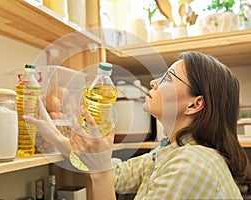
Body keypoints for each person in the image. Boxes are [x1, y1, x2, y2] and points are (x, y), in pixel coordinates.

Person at [24, 51, 250, 199]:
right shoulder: (174, 152)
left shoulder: (191, 164)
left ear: (195, 104)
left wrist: (100, 172)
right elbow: (118, 174)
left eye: (168, 78)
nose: (153, 82)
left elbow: (105, 173)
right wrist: (53, 134)